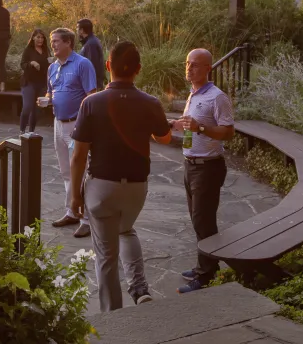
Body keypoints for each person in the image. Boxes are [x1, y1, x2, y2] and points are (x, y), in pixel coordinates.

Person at [69, 41, 172, 311]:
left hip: (102, 188)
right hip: (137, 188)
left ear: (107, 66)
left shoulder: (91, 103)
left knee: (106, 256)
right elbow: (164, 137)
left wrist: (73, 197)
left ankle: (113, 318)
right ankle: (139, 289)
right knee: (125, 229)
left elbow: (79, 156)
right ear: (138, 69)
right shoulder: (150, 103)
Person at [173, 48, 235, 294]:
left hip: (208, 167)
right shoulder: (194, 94)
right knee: (198, 220)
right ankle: (207, 263)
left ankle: (206, 274)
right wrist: (177, 125)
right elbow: (191, 126)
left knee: (203, 220)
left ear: (208, 68)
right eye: (188, 63)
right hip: (191, 164)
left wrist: (201, 129)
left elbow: (228, 132)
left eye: (195, 65)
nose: (189, 68)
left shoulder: (217, 97)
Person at [43, 27, 96, 238]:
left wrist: (84, 125)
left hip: (77, 124)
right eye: (51, 41)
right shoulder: (52, 67)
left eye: (56, 41)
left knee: (81, 172)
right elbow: (51, 90)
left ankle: (86, 219)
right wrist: (47, 98)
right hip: (58, 122)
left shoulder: (83, 64)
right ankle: (71, 211)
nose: (52, 44)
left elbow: (91, 96)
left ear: (68, 43)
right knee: (66, 172)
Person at [19, 29, 50, 133]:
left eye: (42, 37)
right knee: (27, 106)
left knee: (37, 110)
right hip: (29, 82)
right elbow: (22, 64)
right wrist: (31, 63)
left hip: (42, 83)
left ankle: (31, 131)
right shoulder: (28, 50)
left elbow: (49, 65)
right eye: (38, 37)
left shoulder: (46, 50)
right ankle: (22, 130)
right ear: (33, 38)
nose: (40, 39)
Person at [77, 19, 106, 90]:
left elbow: (91, 66)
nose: (76, 30)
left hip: (92, 86)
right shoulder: (90, 42)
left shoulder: (91, 44)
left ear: (82, 30)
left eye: (77, 28)